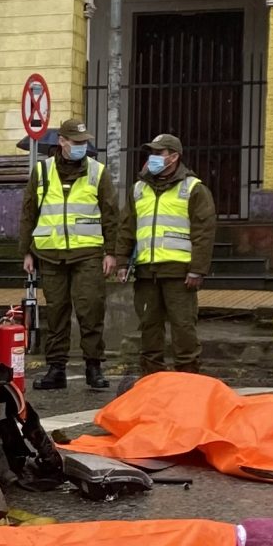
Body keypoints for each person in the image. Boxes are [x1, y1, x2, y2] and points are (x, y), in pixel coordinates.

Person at [19, 118, 122, 391]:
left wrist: (111, 252)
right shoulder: (42, 171)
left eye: (84, 142)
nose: (81, 146)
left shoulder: (98, 172)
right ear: (61, 141)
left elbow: (111, 215)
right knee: (56, 313)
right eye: (76, 142)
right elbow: (29, 212)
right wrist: (27, 251)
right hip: (50, 254)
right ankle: (56, 369)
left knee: (91, 310)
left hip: (88, 254)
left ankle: (93, 367)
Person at [119, 132, 217, 377]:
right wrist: (121, 261)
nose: (152, 157)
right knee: (149, 328)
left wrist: (197, 269)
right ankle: (152, 379)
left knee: (183, 328)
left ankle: (188, 380)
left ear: (174, 157)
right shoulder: (138, 189)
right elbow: (127, 227)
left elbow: (204, 233)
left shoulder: (193, 189)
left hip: (179, 273)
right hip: (146, 272)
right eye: (151, 152)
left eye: (158, 153)